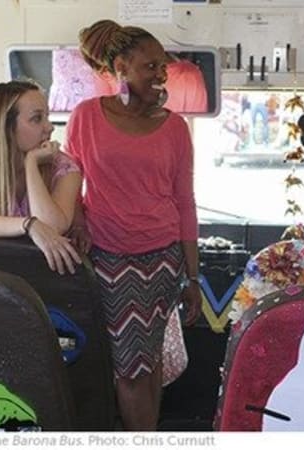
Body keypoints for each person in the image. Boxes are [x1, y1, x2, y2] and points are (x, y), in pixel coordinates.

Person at [68, 19, 201, 431]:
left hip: (162, 259)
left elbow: (184, 202)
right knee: (129, 367)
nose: (160, 74)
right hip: (107, 257)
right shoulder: (85, 116)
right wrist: (77, 224)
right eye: (150, 66)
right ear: (120, 67)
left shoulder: (176, 127)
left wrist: (192, 277)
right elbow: (70, 181)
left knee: (149, 362)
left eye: (163, 66)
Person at [0, 80, 83, 275]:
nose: (49, 127)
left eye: (47, 116)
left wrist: (31, 163)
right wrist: (28, 225)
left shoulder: (66, 167)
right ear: (6, 127)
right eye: (37, 119)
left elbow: (53, 227)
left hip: (48, 273)